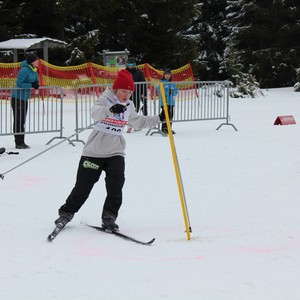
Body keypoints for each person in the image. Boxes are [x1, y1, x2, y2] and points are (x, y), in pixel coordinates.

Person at [54, 69, 165, 232]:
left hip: (115, 152)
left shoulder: (129, 106)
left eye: (129, 92)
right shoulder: (104, 100)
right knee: (83, 187)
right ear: (115, 89)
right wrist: (111, 110)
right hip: (94, 152)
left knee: (116, 185)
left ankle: (109, 217)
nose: (126, 95)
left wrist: (159, 118)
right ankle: (66, 213)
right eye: (123, 91)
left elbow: (139, 121)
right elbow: (95, 112)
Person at [11, 53, 39, 149]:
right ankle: (18, 142)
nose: (38, 62)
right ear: (31, 62)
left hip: (24, 98)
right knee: (18, 120)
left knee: (22, 120)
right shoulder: (24, 70)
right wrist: (31, 85)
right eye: (36, 60)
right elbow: (19, 83)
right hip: (17, 98)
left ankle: (22, 141)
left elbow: (35, 80)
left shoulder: (34, 70)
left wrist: (36, 84)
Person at [125, 57, 148, 132]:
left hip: (137, 93)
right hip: (127, 94)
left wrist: (144, 94)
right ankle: (129, 126)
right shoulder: (125, 72)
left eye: (132, 64)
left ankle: (134, 124)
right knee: (127, 109)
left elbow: (143, 83)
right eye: (129, 64)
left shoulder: (139, 72)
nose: (130, 66)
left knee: (135, 109)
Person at [158, 69, 178, 135]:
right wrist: (167, 91)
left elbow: (176, 91)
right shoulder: (161, 82)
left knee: (170, 115)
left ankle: (169, 128)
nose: (167, 76)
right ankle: (164, 128)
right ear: (164, 75)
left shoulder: (172, 83)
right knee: (165, 114)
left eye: (169, 74)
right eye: (166, 74)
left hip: (171, 102)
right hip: (164, 102)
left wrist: (171, 92)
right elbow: (159, 90)